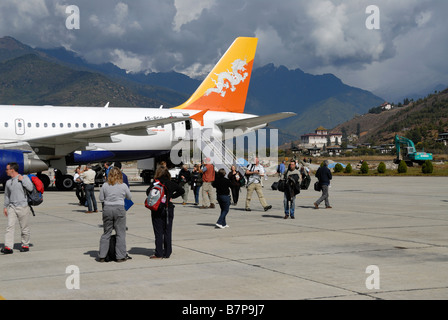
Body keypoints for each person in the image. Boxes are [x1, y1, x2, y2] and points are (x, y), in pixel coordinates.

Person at [146, 166, 184, 259]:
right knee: (168, 231)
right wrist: (172, 197)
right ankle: (167, 252)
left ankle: (158, 253)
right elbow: (181, 190)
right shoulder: (171, 183)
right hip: (168, 208)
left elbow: (148, 192)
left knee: (158, 232)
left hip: (157, 209)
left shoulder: (155, 183)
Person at [97, 167, 132, 262]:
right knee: (120, 233)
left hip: (107, 208)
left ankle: (102, 256)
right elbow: (129, 197)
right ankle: (120, 256)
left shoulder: (104, 185)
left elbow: (101, 198)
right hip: (119, 208)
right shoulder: (123, 185)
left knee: (106, 233)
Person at [2, 162, 34, 254]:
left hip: (23, 206)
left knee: (24, 227)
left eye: (7, 169)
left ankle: (25, 245)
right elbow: (7, 196)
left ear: (12, 169)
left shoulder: (24, 178)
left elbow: (30, 188)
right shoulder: (8, 182)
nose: (6, 171)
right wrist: (5, 207)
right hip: (12, 207)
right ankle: (8, 247)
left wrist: (22, 180)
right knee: (9, 227)